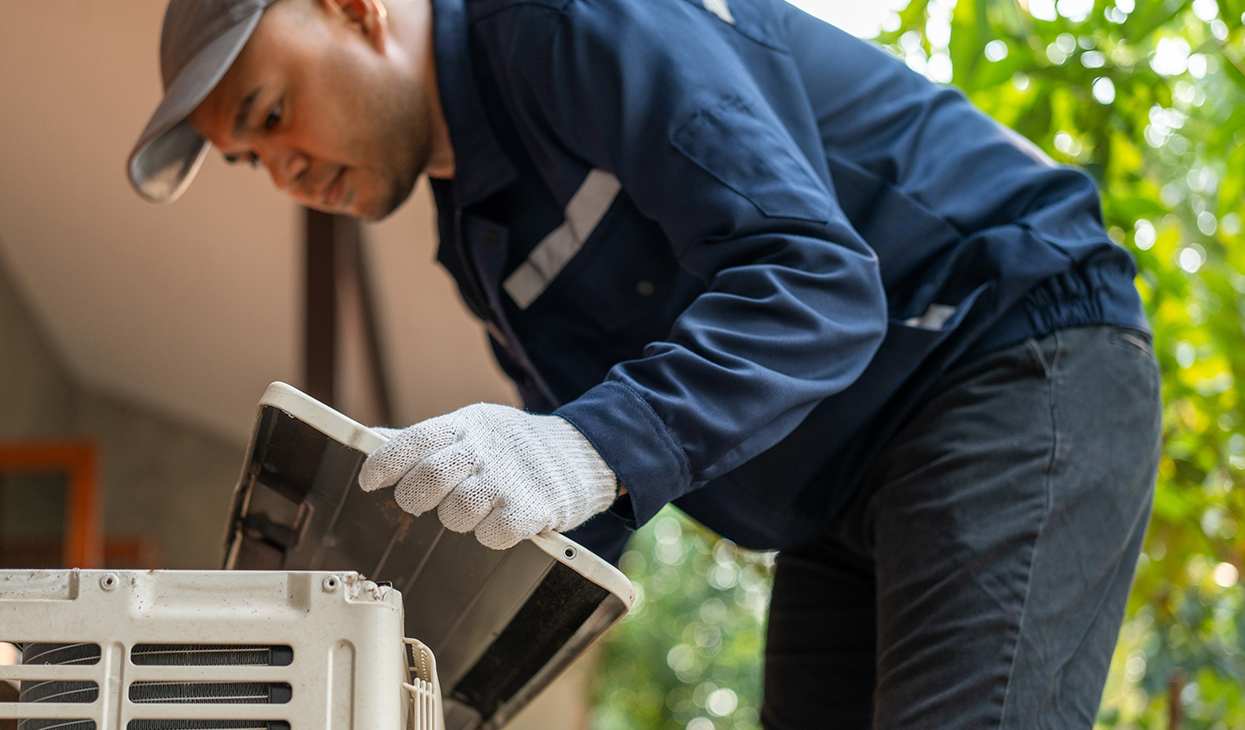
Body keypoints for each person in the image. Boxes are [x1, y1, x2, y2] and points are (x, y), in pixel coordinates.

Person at [126, 0, 1163, 725]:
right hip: (838, 489)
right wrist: (401, 639)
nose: (283, 169)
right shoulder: (473, 236)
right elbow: (586, 492)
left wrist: (581, 446)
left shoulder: (558, 19)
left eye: (270, 112)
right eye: (250, 160)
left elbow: (814, 281)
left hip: (1000, 348)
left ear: (352, 9)